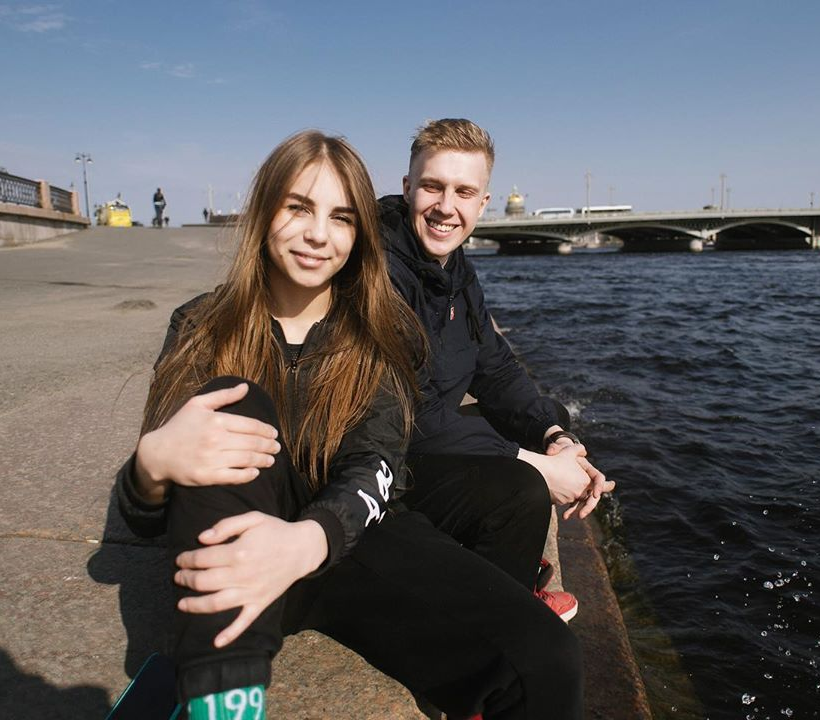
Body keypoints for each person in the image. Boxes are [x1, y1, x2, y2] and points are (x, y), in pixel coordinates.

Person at [115, 130, 582, 719]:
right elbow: (147, 517)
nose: (318, 234)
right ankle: (220, 691)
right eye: (298, 208)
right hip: (238, 559)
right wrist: (150, 466)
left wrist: (308, 540)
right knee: (235, 404)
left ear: (359, 233)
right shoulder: (202, 326)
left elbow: (377, 462)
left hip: (344, 535)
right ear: (263, 212)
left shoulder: (379, 328)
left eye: (340, 217)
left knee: (547, 658)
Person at [379, 119, 615, 622]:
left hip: (420, 441)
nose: (446, 207)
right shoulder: (379, 271)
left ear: (483, 203)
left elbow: (496, 367)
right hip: (377, 464)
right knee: (521, 487)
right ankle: (497, 618)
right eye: (432, 187)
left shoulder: (455, 268)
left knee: (541, 417)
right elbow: (405, 412)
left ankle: (503, 563)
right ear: (407, 187)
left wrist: (554, 437)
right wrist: (538, 467)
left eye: (464, 192)